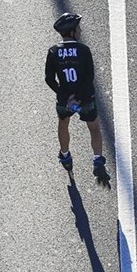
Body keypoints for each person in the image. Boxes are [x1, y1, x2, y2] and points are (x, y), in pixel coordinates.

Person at [44, 12, 105, 173]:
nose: (80, 31)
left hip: (65, 101)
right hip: (85, 99)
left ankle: (65, 154)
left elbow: (49, 79)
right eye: (78, 28)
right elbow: (89, 77)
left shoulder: (53, 52)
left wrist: (65, 96)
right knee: (94, 128)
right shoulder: (84, 50)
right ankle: (97, 159)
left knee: (63, 123)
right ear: (72, 32)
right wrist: (78, 97)